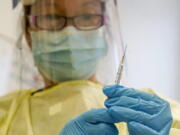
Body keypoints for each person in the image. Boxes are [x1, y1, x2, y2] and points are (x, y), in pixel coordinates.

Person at [0, 0, 179, 134]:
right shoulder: (4, 114)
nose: (70, 32)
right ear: (29, 34)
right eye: (51, 16)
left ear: (104, 31)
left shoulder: (155, 113)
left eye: (87, 16)